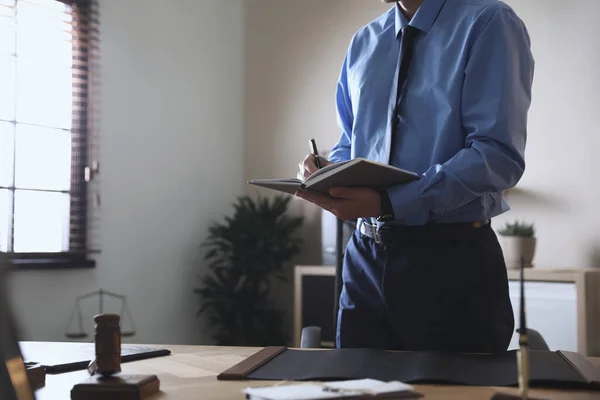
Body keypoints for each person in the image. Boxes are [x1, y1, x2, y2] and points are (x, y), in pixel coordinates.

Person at [296, 0, 534, 353]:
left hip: (451, 264)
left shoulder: (489, 23)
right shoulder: (364, 41)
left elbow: (497, 154)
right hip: (363, 260)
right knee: (357, 389)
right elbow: (351, 142)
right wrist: (327, 171)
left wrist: (392, 201)